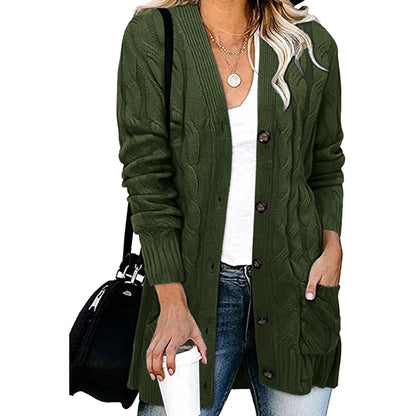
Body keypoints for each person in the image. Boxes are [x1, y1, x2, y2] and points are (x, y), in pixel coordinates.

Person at [116, 0, 345, 414]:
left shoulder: (309, 42)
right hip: (189, 293)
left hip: (297, 292)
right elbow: (146, 176)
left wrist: (332, 246)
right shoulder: (155, 35)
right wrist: (170, 299)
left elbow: (326, 163)